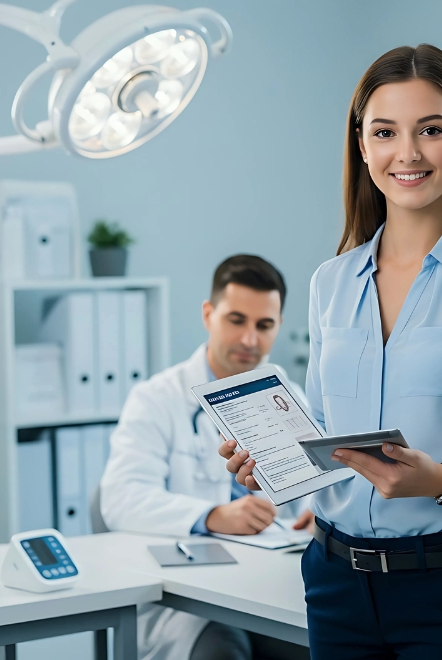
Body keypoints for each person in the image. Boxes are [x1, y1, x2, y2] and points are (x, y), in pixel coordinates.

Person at [220, 44, 442, 660]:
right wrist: (274, 460)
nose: (407, 153)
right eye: (385, 132)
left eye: (431, 130)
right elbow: (332, 440)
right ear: (362, 145)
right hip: (336, 584)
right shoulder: (331, 281)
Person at [100, 254, 310, 660]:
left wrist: (321, 515)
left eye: (264, 325)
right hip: (188, 604)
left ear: (278, 326)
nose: (251, 339)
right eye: (236, 320)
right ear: (208, 314)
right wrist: (212, 516)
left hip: (271, 586)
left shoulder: (289, 399)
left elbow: (317, 491)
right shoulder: (156, 398)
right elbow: (120, 499)